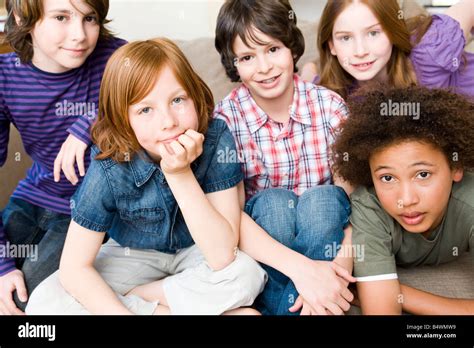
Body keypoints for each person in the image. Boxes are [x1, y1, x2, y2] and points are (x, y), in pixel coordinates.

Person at [25, 38, 267, 315]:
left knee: (247, 275)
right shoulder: (110, 162)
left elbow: (222, 254)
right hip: (131, 254)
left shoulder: (215, 138)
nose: (168, 122)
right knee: (46, 301)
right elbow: (74, 268)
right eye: (145, 110)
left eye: (177, 100)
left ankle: (145, 296)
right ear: (123, 120)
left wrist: (179, 173)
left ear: (195, 97)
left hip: (196, 252)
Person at [214, 0, 356, 315]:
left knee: (322, 199)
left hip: (326, 235)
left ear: (292, 48)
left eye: (273, 50)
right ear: (233, 64)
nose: (264, 67)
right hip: (266, 245)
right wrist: (303, 271)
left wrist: (334, 274)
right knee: (275, 202)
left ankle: (300, 305)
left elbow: (353, 199)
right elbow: (230, 218)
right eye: (248, 57)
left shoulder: (329, 107)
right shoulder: (225, 120)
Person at [0, 0, 126, 314]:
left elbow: (175, 101)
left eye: (89, 18)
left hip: (88, 212)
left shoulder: (116, 59)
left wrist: (90, 123)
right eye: (61, 17)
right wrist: (2, 265)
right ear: (21, 16)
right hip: (32, 199)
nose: (79, 35)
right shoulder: (5, 78)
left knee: (21, 301)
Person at [332, 85, 474, 314]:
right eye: (387, 178)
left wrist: (398, 292)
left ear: (455, 167)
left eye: (423, 175)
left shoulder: (470, 201)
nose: (406, 200)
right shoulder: (369, 205)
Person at [302, 0, 474, 99]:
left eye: (373, 33)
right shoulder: (334, 94)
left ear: (392, 33)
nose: (360, 51)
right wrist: (308, 68)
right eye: (345, 38)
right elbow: (309, 78)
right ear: (331, 45)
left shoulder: (431, 51)